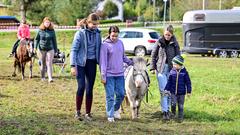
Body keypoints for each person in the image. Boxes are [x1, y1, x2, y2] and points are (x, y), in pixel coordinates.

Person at [70, 13, 102, 121]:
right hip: (80, 63)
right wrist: (72, 66)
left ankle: (88, 113)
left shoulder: (98, 34)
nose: (95, 26)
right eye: (93, 24)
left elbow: (100, 48)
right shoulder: (80, 34)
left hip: (92, 63)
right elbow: (74, 50)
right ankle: (77, 112)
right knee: (81, 86)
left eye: (97, 24)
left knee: (89, 89)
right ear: (88, 22)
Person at [100, 26, 133, 122]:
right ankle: (110, 115)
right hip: (109, 75)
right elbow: (103, 62)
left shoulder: (120, 43)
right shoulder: (105, 45)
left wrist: (131, 62)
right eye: (113, 36)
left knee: (121, 94)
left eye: (116, 36)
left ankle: (115, 109)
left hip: (119, 74)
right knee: (110, 96)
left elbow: (123, 57)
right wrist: (103, 75)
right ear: (109, 34)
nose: (114, 38)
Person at [149, 25, 180, 120]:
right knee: (163, 91)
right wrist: (152, 68)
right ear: (163, 33)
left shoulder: (175, 43)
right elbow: (153, 55)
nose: (167, 36)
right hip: (161, 69)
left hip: (171, 70)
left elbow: (178, 57)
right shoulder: (159, 42)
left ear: (172, 34)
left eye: (169, 35)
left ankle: (168, 110)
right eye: (166, 34)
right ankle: (165, 111)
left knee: (170, 91)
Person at [164, 55, 192, 122]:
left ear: (180, 65)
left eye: (175, 64)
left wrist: (189, 91)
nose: (173, 66)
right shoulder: (172, 72)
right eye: (173, 64)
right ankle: (173, 114)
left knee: (181, 105)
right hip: (173, 92)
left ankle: (180, 117)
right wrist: (166, 89)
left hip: (181, 93)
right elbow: (169, 82)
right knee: (173, 103)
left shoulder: (184, 73)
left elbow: (188, 82)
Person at [35, 17, 58, 83]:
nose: (47, 24)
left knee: (49, 63)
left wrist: (56, 50)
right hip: (41, 49)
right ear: (43, 23)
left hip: (50, 49)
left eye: (48, 22)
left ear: (50, 23)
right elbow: (37, 39)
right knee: (43, 63)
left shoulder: (52, 31)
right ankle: (43, 77)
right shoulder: (40, 30)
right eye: (46, 22)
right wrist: (35, 48)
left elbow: (54, 41)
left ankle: (50, 78)